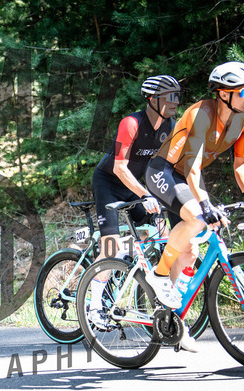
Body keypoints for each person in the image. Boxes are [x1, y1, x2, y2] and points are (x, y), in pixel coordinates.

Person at [145, 61, 244, 350]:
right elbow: (192, 167)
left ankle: (170, 321)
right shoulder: (202, 113)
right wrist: (205, 203)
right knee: (198, 217)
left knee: (189, 253)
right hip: (164, 171)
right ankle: (158, 275)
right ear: (224, 93)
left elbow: (242, 161)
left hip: (186, 177)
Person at [88, 75, 181, 328]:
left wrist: (169, 196)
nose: (175, 101)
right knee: (110, 246)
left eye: (177, 95)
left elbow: (164, 167)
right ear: (152, 100)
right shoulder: (130, 123)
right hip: (109, 182)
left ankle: (152, 290)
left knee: (162, 234)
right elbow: (119, 167)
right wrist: (145, 194)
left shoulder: (170, 126)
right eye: (169, 96)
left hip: (134, 186)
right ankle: (94, 307)